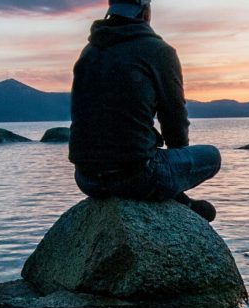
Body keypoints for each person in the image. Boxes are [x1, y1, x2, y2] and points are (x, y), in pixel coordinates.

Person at [69, 0, 220, 222]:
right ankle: (178, 198)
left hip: (86, 179)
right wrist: (177, 158)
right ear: (145, 12)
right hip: (136, 177)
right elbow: (174, 119)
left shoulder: (88, 53)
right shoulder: (158, 51)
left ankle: (181, 199)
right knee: (212, 156)